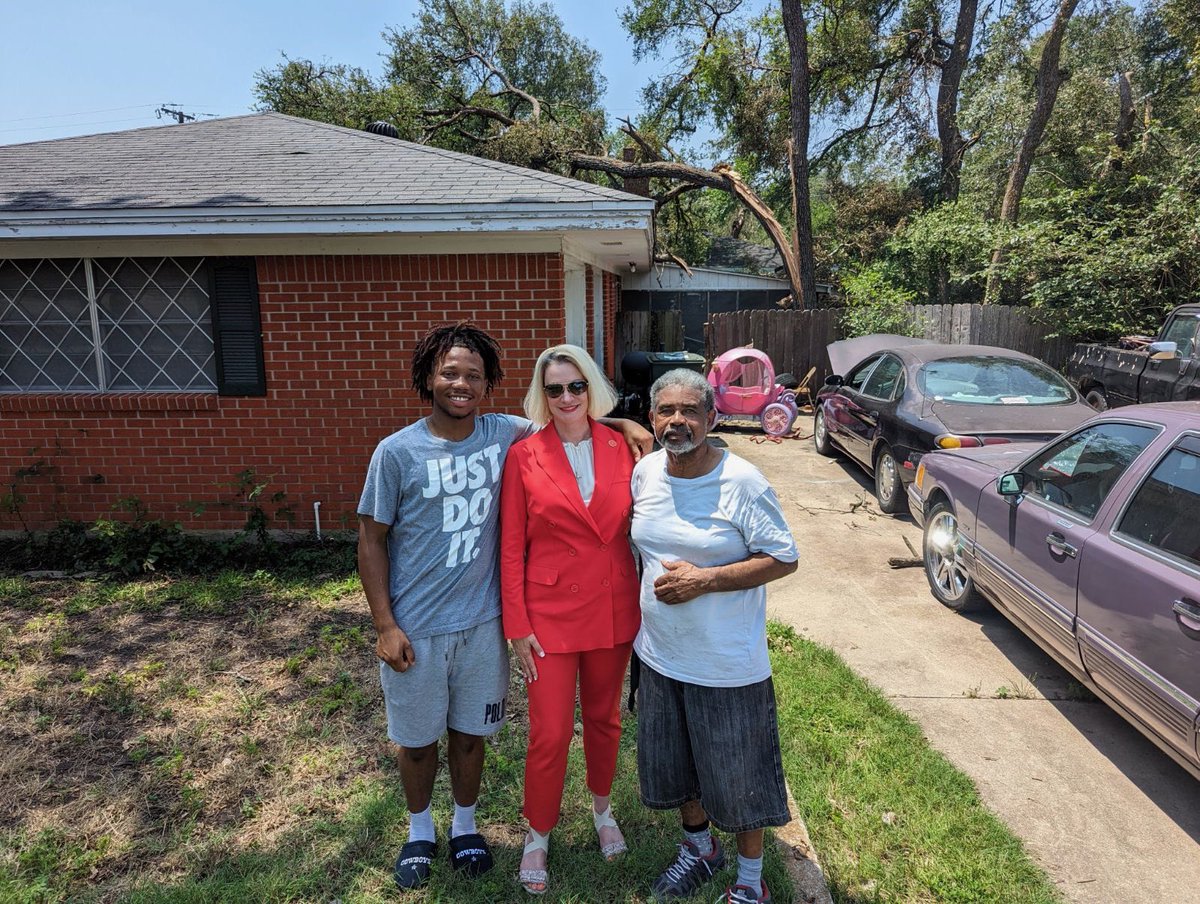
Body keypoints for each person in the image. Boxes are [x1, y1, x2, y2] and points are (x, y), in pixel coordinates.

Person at [357, 323, 651, 891]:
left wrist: (624, 423)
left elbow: (577, 428)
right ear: (427, 378)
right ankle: (423, 832)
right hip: (427, 623)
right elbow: (372, 538)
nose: (460, 384)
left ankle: (470, 827)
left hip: (489, 624)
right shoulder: (400, 452)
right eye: (449, 373)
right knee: (421, 740)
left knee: (473, 735)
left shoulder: (503, 433)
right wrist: (384, 624)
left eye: (472, 375)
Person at [629, 368, 799, 904]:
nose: (677, 421)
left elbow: (783, 557)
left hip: (726, 664)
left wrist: (706, 580)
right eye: (666, 411)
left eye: (690, 411)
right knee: (675, 766)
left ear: (711, 418)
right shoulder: (647, 473)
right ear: (652, 418)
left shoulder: (741, 481)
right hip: (658, 654)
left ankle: (751, 883)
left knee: (740, 777)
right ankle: (700, 850)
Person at [500, 345, 642, 896]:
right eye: (555, 389)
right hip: (549, 616)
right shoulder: (524, 455)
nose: (566, 398)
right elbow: (511, 548)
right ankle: (538, 831)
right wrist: (517, 625)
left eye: (575, 386)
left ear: (591, 390)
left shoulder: (622, 445)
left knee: (605, 720)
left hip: (611, 608)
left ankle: (602, 810)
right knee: (551, 732)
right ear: (543, 394)